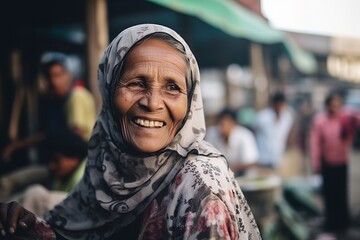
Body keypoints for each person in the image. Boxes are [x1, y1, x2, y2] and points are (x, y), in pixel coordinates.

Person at [0, 24, 260, 239]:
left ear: (190, 101)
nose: (153, 103)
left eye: (172, 87)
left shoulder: (199, 187)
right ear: (109, 90)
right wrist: (33, 228)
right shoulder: (109, 164)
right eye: (136, 83)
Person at [2, 52, 96, 162]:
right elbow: (48, 134)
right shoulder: (56, 101)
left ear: (68, 75)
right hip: (61, 161)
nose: (53, 81)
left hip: (77, 162)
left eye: (58, 75)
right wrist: (18, 145)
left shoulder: (76, 96)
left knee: (8, 180)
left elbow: (75, 138)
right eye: (49, 76)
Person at [2, 131, 87, 216]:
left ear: (74, 160)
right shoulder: (57, 176)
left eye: (56, 160)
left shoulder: (86, 182)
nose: (51, 166)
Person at [310, 91, 360, 233]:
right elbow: (315, 143)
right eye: (333, 105)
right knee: (330, 194)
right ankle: (331, 224)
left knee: (341, 193)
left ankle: (342, 224)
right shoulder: (320, 120)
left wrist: (349, 113)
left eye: (338, 105)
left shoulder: (345, 117)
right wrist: (316, 163)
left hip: (342, 162)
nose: (335, 108)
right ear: (327, 105)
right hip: (327, 164)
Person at [206, 107, 259, 176]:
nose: (220, 127)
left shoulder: (244, 135)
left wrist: (233, 168)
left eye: (223, 124)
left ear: (233, 123)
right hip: (220, 175)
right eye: (219, 123)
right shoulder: (212, 134)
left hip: (243, 176)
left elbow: (252, 161)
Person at [254, 91, 295, 169]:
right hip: (262, 159)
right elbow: (254, 132)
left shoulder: (287, 118)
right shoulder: (262, 117)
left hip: (278, 160)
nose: (279, 107)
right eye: (278, 104)